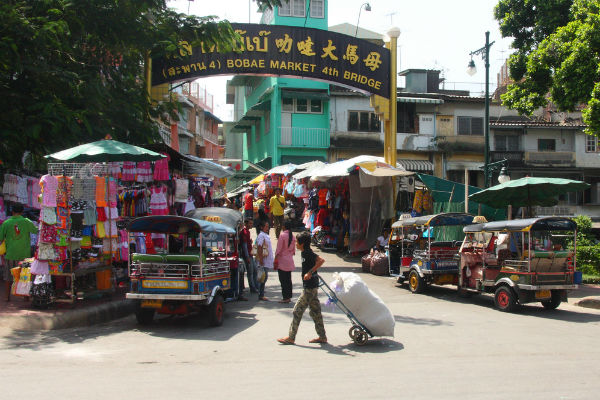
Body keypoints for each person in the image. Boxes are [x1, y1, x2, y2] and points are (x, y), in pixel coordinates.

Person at [277, 231, 327, 345]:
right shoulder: (304, 252)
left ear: (302, 243)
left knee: (297, 311)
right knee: (316, 312)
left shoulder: (308, 252)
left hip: (309, 287)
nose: (295, 244)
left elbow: (321, 260)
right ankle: (322, 336)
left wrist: (309, 272)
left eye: (297, 242)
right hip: (312, 286)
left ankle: (291, 337)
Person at [0, 204, 38, 301]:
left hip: (10, 254)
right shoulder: (26, 221)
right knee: (24, 276)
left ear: (12, 212)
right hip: (24, 255)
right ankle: (25, 297)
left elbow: (0, 238)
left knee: (8, 277)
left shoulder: (6, 223)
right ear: (22, 212)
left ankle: (7, 297)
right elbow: (35, 230)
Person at [274, 221, 295, 303]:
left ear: (284, 226)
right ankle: (288, 296)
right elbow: (293, 251)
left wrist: (275, 258)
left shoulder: (282, 235)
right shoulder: (293, 236)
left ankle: (285, 297)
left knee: (283, 280)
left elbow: (278, 249)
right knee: (288, 279)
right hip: (289, 261)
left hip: (282, 261)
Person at [255, 220, 274, 301]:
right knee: (263, 277)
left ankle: (261, 293)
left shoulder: (265, 235)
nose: (267, 228)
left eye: (268, 226)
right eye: (266, 226)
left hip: (266, 260)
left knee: (264, 277)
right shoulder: (261, 235)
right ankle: (261, 294)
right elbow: (259, 247)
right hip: (263, 261)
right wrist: (261, 259)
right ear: (262, 227)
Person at [240, 219, 258, 293]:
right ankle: (252, 287)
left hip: (249, 254)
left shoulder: (247, 232)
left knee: (254, 270)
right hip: (247, 255)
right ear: (246, 224)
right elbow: (244, 246)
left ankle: (255, 286)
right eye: (250, 223)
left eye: (252, 223)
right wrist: (247, 257)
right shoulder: (244, 232)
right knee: (250, 272)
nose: (251, 225)